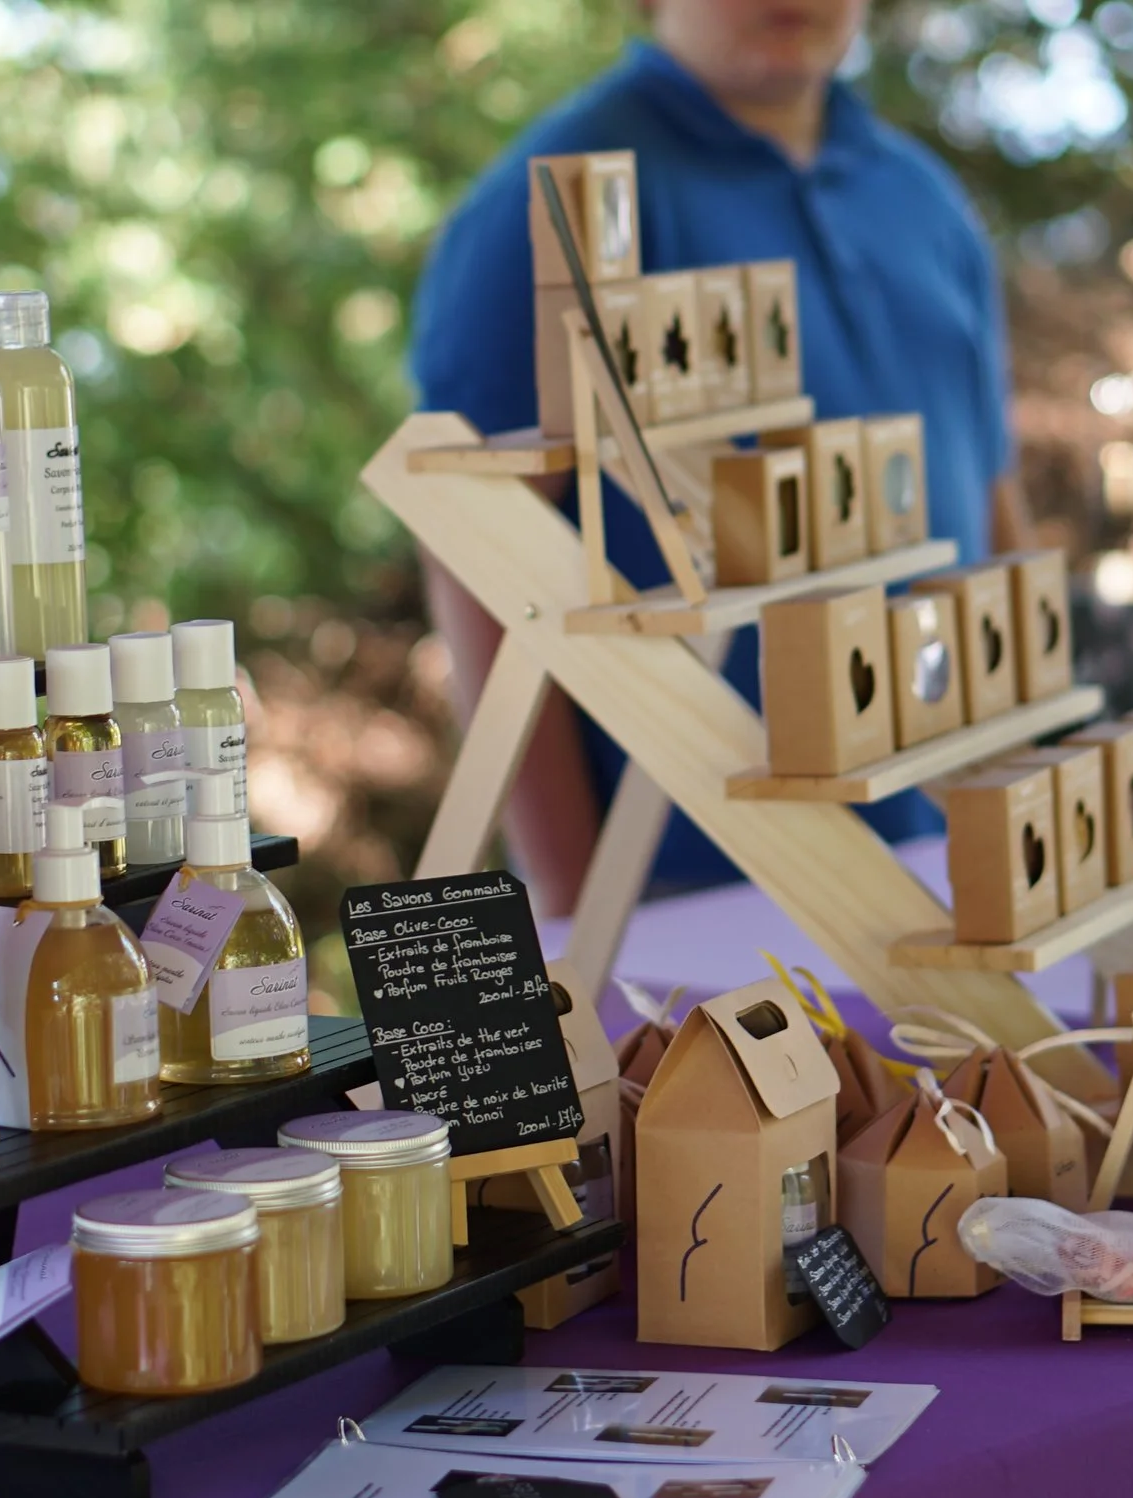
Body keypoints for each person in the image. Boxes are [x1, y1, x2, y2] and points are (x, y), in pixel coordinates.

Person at [410, 0, 1027, 913]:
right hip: (692, 888)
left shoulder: (924, 199)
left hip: (947, 858)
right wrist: (583, 906)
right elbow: (483, 561)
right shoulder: (558, 196)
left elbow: (993, 508)